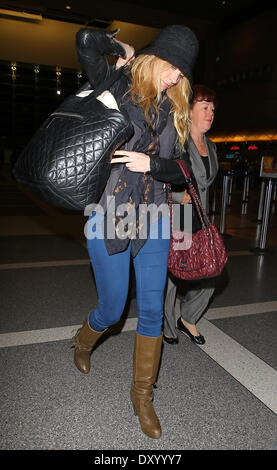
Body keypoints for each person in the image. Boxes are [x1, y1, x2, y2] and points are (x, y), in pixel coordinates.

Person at [71, 25, 199, 439]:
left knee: (149, 311)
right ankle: (83, 342)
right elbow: (85, 41)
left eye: (183, 72)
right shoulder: (117, 84)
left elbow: (182, 169)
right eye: (172, 66)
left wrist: (152, 165)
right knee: (111, 310)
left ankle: (143, 396)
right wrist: (121, 48)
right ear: (155, 57)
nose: (177, 77)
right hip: (109, 213)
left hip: (157, 217)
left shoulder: (175, 108)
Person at [163, 84, 218, 346]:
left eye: (213, 109)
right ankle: (167, 326)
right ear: (190, 110)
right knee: (174, 272)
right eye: (205, 107)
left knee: (212, 269)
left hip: (201, 217)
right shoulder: (178, 142)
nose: (210, 113)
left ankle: (188, 318)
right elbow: (159, 176)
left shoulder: (212, 147)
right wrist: (176, 196)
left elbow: (205, 184)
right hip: (181, 216)